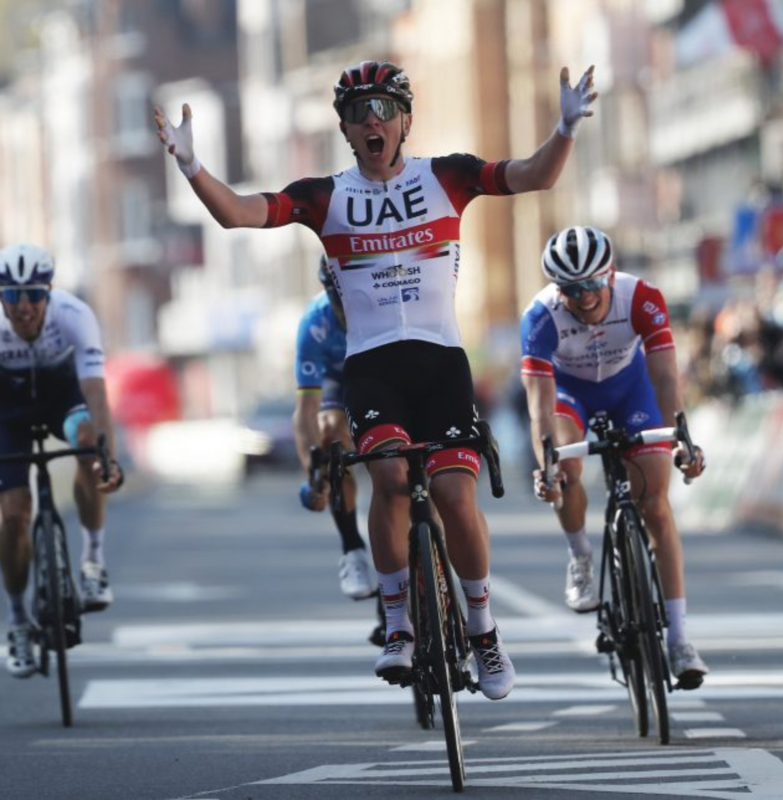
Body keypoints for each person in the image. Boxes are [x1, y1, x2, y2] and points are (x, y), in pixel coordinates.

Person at [155, 59, 597, 700]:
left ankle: (483, 630)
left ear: (406, 121)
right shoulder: (325, 195)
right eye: (358, 112)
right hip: (372, 368)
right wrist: (193, 168)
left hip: (440, 361)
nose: (372, 121)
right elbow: (241, 214)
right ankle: (397, 624)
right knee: (389, 476)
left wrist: (564, 128)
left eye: (384, 109)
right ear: (343, 127)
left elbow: (532, 176)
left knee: (452, 495)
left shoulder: (448, 176)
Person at [520, 225, 709, 688]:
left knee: (656, 506)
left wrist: (680, 437)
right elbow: (540, 409)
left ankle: (680, 639)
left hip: (632, 391)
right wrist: (546, 467)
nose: (583, 297)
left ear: (610, 274)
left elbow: (666, 379)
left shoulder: (641, 296)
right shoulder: (540, 317)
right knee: (566, 464)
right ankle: (580, 556)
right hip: (571, 396)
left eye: (591, 284)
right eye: (570, 288)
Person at [0, 243, 124, 678]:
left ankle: (93, 562)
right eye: (12, 296)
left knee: (90, 446)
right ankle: (16, 621)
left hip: (61, 399)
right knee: (14, 516)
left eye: (33, 294)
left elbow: (94, 391)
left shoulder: (74, 315)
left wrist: (105, 454)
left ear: (49, 292)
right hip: (6, 408)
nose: (24, 306)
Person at [294, 255, 376, 600]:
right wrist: (314, 473)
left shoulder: (382, 306)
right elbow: (306, 409)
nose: (344, 307)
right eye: (336, 297)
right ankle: (353, 549)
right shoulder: (315, 323)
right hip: (338, 382)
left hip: (382, 373)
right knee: (330, 433)